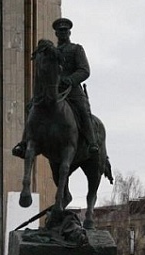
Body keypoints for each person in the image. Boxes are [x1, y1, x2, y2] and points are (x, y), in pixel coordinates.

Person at [12, 17, 99, 159]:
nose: (63, 33)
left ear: (69, 33)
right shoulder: (52, 51)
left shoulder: (76, 49)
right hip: (54, 90)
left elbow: (84, 70)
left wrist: (70, 79)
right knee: (32, 106)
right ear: (56, 34)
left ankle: (92, 142)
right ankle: (24, 142)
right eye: (60, 31)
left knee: (83, 109)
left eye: (65, 31)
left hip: (72, 90)